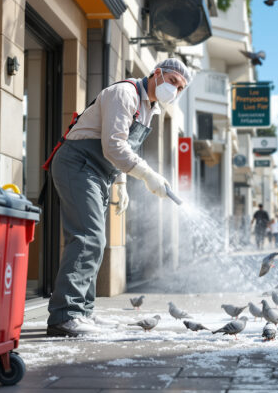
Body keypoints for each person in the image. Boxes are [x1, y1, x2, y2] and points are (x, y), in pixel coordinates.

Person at [44, 58, 191, 337]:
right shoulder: (125, 93)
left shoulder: (151, 109)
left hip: (99, 172)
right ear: (157, 73)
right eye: (172, 81)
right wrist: (147, 175)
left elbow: (125, 145)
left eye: (181, 88)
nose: (175, 89)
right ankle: (65, 315)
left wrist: (121, 182)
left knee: (95, 240)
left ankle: (83, 312)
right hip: (77, 164)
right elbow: (113, 145)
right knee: (88, 237)